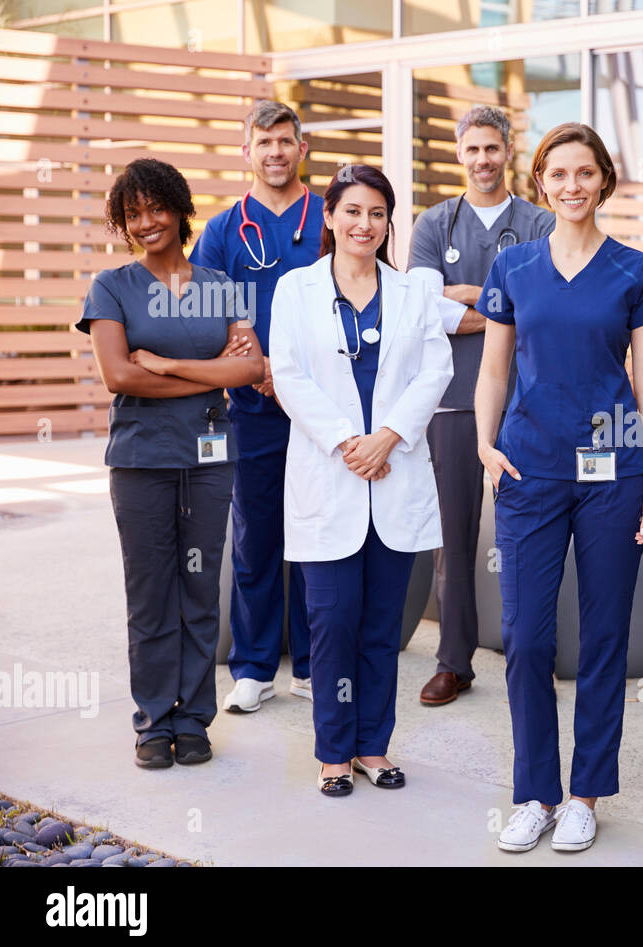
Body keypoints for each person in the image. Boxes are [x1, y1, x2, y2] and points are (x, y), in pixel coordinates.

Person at [476, 122, 643, 853]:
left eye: (585, 173)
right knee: (525, 638)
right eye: (559, 174)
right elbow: (494, 369)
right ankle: (534, 792)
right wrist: (486, 446)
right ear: (541, 183)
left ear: (604, 180)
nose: (573, 186)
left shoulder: (634, 272)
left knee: (604, 635)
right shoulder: (514, 268)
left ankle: (585, 793)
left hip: (613, 476)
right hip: (528, 469)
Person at [269, 165, 453, 796]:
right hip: (333, 472)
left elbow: (436, 370)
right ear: (329, 217)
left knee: (380, 629)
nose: (364, 224)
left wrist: (388, 437)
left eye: (376, 213)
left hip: (393, 471)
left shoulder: (413, 293)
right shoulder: (296, 290)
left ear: (388, 223)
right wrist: (349, 441)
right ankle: (332, 752)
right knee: (331, 623)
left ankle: (373, 745)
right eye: (352, 211)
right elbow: (288, 376)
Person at [77, 158, 264, 769]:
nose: (146, 222)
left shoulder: (221, 284)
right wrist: (206, 379)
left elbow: (250, 370)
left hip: (210, 459)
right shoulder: (111, 287)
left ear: (180, 209)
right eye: (132, 215)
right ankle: (154, 720)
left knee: (200, 588)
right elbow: (117, 374)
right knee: (151, 590)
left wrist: (169, 364)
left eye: (156, 208)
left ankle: (193, 719)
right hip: (141, 460)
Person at [407, 106, 555, 708]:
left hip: (526, 401)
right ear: (458, 154)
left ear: (508, 151)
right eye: (472, 150)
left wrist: (462, 299)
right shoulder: (432, 224)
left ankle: (531, 656)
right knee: (454, 539)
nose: (483, 160)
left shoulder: (541, 223)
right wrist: (496, 304)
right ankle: (454, 660)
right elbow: (419, 307)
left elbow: (541, 306)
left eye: (492, 149)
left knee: (534, 538)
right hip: (450, 403)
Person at [190, 101, 324, 714]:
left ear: (303, 149)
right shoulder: (221, 230)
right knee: (257, 533)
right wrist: (263, 369)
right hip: (255, 404)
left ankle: (315, 664)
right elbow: (215, 313)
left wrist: (295, 377)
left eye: (285, 141)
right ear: (247, 152)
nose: (275, 151)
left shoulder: (331, 215)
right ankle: (253, 666)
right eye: (263, 141)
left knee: (320, 531)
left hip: (326, 405)